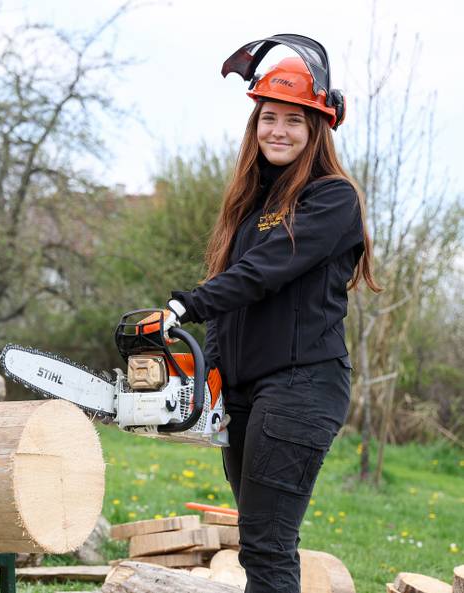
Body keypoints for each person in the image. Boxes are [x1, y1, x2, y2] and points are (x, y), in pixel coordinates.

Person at [161, 49, 381, 593]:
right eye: (268, 117)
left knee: (266, 544)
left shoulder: (332, 198)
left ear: (319, 126)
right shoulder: (252, 202)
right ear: (254, 121)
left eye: (292, 119)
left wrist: (186, 305)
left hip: (301, 386)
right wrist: (206, 370)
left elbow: (264, 271)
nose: (277, 130)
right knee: (260, 541)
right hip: (245, 391)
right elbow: (239, 300)